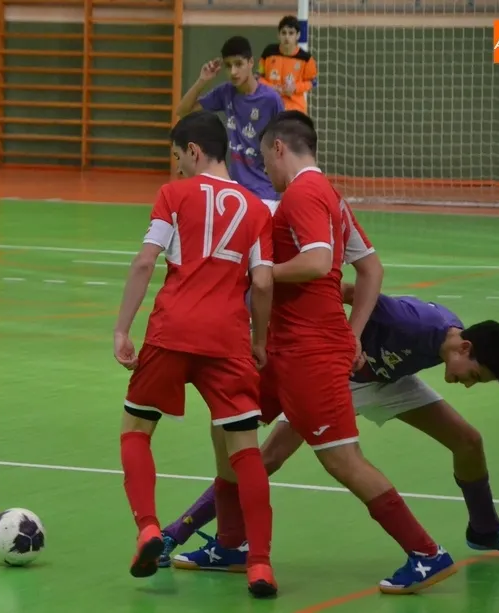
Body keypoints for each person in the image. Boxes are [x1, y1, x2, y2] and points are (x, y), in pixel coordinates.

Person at [203, 109, 457, 595]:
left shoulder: (303, 193)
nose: (266, 171)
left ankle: (427, 553)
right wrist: (354, 333)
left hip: (309, 354)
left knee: (342, 460)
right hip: (284, 348)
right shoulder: (331, 197)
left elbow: (319, 262)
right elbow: (372, 269)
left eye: (265, 159)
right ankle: (232, 543)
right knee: (227, 419)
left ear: (279, 148)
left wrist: (262, 272)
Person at [161, 287, 499, 572]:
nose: (468, 384)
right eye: (474, 376)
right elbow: (345, 291)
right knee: (269, 457)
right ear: (465, 348)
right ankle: (176, 532)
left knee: (468, 441)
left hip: (388, 379)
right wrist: (346, 338)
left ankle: (485, 529)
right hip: (337, 376)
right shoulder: (414, 321)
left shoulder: (446, 343)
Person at [113, 110, 278, 597]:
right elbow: (263, 282)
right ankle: (260, 564)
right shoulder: (257, 209)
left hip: (172, 331)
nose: (178, 166)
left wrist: (122, 329)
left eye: (178, 156)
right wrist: (260, 341)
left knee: (136, 429)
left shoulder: (174, 195)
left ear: (194, 151)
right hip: (228, 338)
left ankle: (148, 528)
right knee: (244, 451)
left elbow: (146, 261)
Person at [176, 36, 286, 212]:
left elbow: (285, 146)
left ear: (251, 62)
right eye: (228, 66)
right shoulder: (226, 92)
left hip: (265, 195)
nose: (233, 71)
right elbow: (183, 111)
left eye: (238, 64)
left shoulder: (271, 99)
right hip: (235, 193)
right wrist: (203, 80)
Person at [258, 15, 318, 113]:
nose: (287, 37)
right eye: (284, 33)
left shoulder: (306, 59)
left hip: (295, 107)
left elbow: (313, 82)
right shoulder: (268, 53)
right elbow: (258, 77)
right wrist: (271, 87)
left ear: (298, 35)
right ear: (278, 35)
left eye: (291, 33)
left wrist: (295, 88)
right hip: (269, 104)